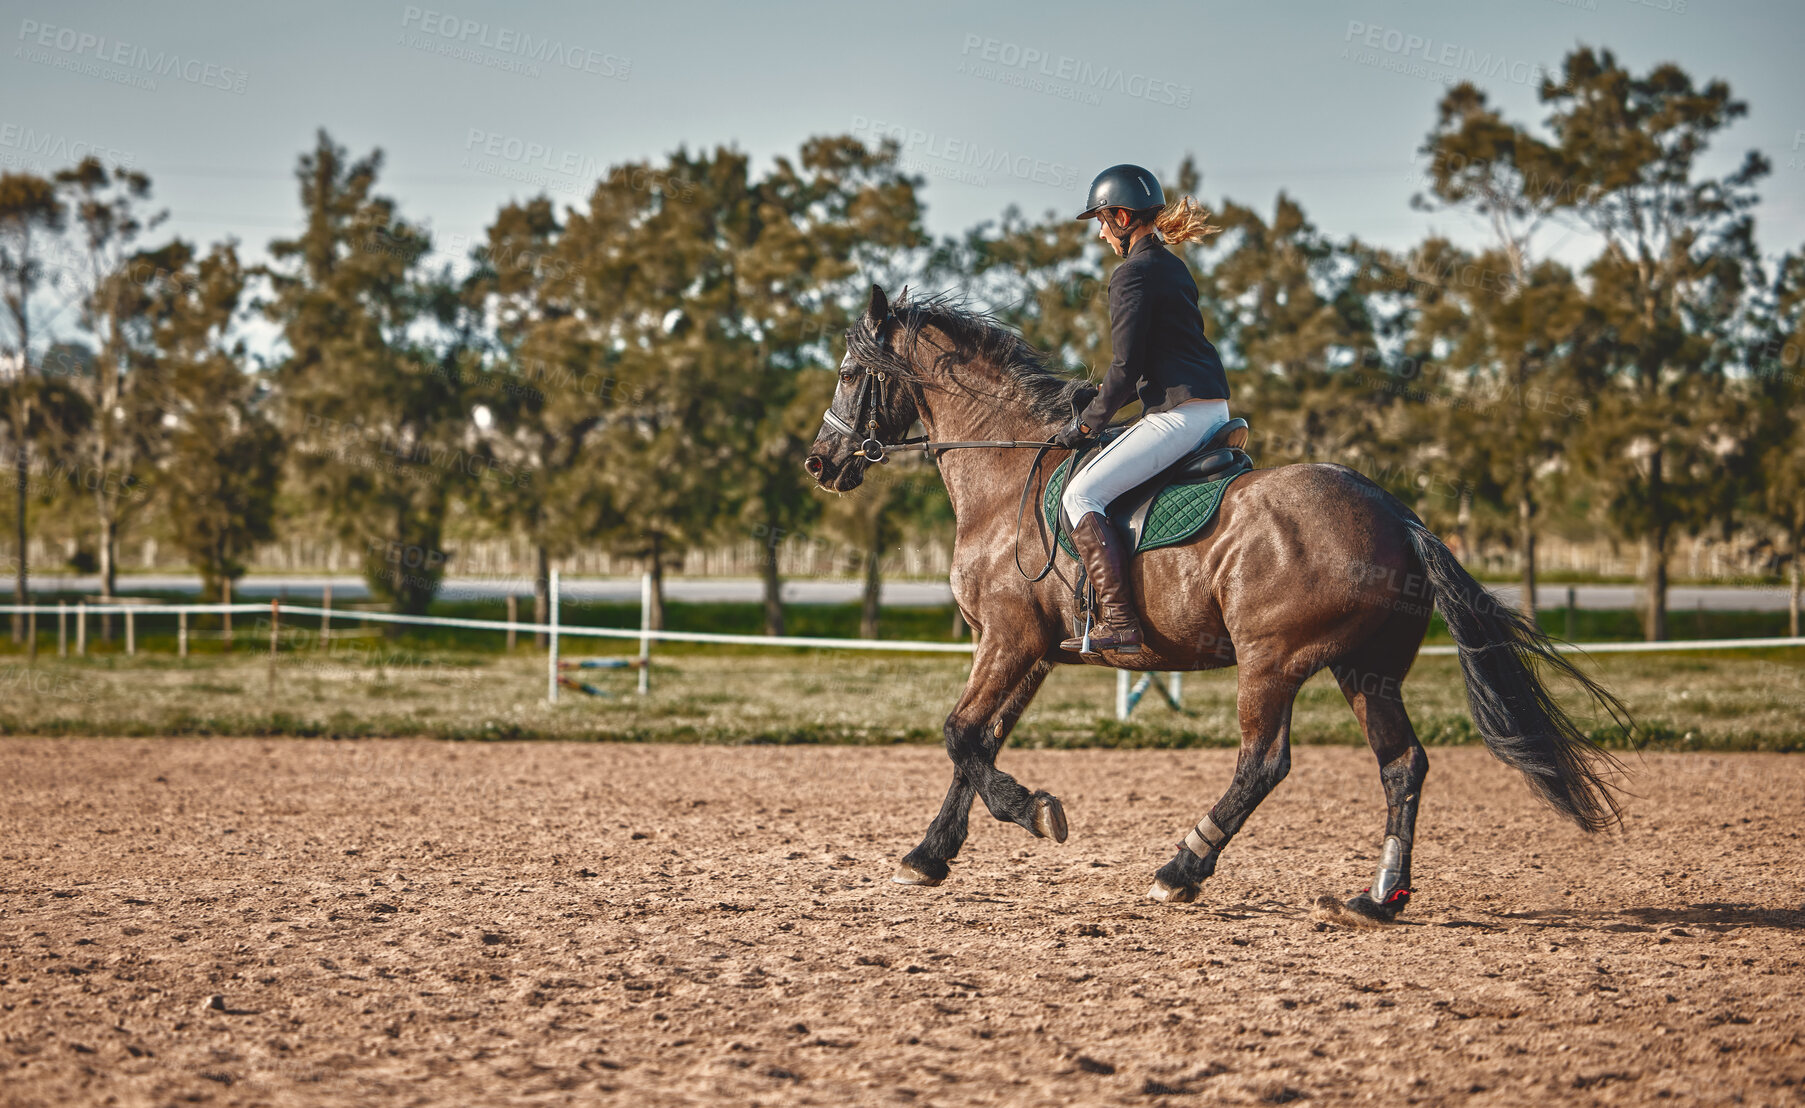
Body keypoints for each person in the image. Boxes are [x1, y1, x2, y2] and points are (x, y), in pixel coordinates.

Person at [1053, 164, 1231, 655]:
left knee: (1080, 496)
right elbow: (1154, 364)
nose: (1102, 234)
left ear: (1123, 217)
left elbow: (1126, 367)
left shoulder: (1130, 274)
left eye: (1102, 223)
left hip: (1180, 415)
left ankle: (1119, 620)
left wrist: (1084, 426)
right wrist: (1096, 403)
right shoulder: (1172, 265)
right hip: (1209, 407)